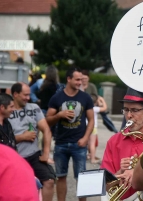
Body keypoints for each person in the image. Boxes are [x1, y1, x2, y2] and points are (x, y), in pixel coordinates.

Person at [100, 87, 143, 200]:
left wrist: (137, 174)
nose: (129, 115)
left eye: (135, 110)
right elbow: (104, 186)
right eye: (126, 110)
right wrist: (120, 172)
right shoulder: (114, 141)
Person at [46, 66, 94, 201]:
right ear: (69, 79)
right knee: (60, 176)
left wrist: (85, 138)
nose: (80, 82)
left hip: (79, 144)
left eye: (81, 80)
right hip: (61, 143)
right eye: (77, 79)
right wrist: (59, 115)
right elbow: (47, 121)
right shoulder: (57, 98)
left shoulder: (85, 97)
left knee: (82, 178)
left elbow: (91, 120)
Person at [9, 82, 55, 201]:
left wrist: (46, 153)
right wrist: (22, 137)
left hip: (34, 155)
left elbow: (46, 130)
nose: (28, 98)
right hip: (15, 157)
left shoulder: (34, 108)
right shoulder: (6, 111)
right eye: (25, 95)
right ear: (15, 94)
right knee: (16, 188)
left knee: (49, 181)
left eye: (29, 95)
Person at [89, 95, 107, 164]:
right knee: (92, 143)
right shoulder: (95, 108)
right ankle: (93, 159)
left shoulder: (86, 108)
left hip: (85, 126)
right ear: (96, 102)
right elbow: (104, 108)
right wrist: (102, 100)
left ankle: (88, 155)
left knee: (87, 143)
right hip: (93, 127)